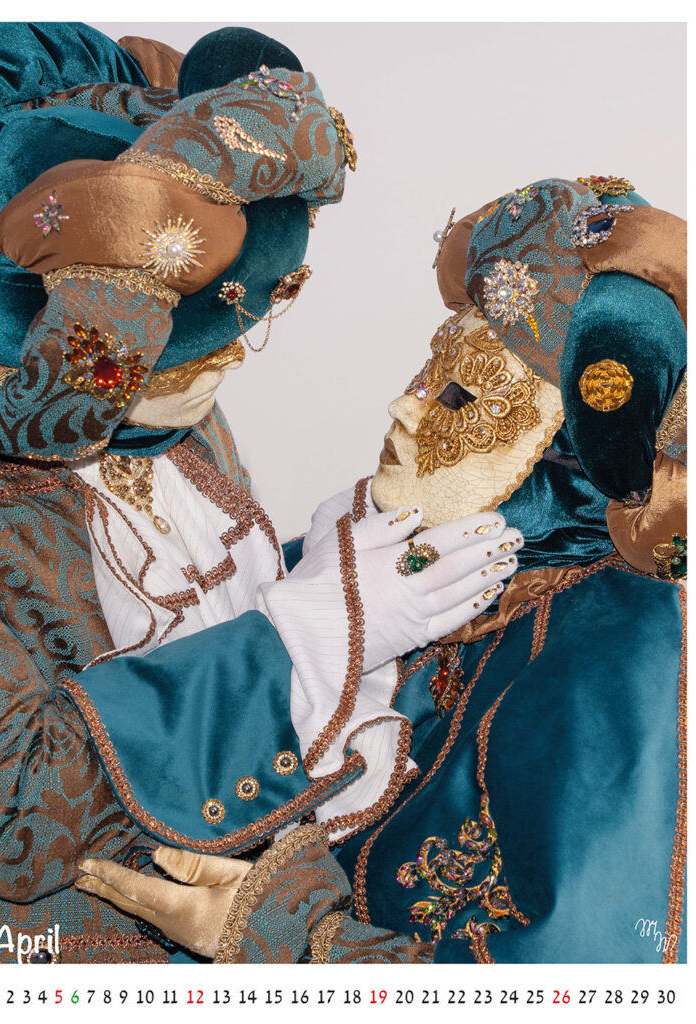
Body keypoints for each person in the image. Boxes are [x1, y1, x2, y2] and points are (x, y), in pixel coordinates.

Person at [0, 22, 515, 964]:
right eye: (188, 358)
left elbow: (187, 606)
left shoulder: (174, 426)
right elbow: (16, 808)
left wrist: (334, 564)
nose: (224, 369)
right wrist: (298, 637)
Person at [78, 176, 686, 964]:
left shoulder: (618, 654)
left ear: (561, 445)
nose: (407, 407)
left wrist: (287, 940)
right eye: (425, 373)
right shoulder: (362, 563)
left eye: (457, 395)